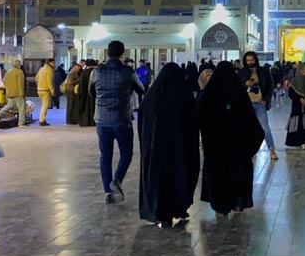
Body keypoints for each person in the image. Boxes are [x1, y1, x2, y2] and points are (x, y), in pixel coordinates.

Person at [138, 62, 200, 227]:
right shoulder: (185, 97)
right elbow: (193, 124)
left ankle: (158, 210)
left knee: (157, 178)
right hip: (180, 150)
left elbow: (142, 123)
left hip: (155, 148)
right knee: (179, 176)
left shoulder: (151, 97)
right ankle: (178, 207)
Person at [198, 62, 264, 215]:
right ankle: (237, 203)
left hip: (215, 147)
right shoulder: (239, 94)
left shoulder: (208, 95)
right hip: (238, 148)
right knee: (238, 175)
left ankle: (220, 205)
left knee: (217, 177)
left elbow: (200, 118)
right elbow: (253, 125)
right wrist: (249, 148)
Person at [90, 41, 145, 204]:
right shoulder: (127, 72)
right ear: (122, 53)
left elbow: (91, 93)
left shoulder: (96, 72)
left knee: (105, 155)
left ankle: (108, 192)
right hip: (122, 119)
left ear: (107, 53)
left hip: (102, 119)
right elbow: (141, 90)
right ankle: (117, 179)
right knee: (126, 152)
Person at [238, 51, 278, 161]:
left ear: (255, 60)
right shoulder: (242, 73)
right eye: (248, 60)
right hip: (246, 103)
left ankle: (272, 149)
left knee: (265, 127)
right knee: (248, 127)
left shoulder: (263, 71)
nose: (250, 62)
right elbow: (236, 87)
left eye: (252, 60)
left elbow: (270, 85)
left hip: (259, 102)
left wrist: (266, 99)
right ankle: (251, 150)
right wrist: (245, 84)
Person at [0, 59, 27, 127]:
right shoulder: (20, 72)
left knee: (9, 105)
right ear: (19, 65)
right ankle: (21, 123)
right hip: (18, 93)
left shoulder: (9, 71)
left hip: (10, 93)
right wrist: (22, 94)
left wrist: (9, 88)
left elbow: (4, 81)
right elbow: (20, 84)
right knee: (21, 108)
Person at [77, 60, 98, 127]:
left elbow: (81, 86)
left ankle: (87, 121)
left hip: (85, 95)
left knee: (86, 107)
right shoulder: (97, 72)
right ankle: (94, 121)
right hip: (95, 94)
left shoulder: (84, 73)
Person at [36, 58, 55, 126]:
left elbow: (36, 78)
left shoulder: (41, 69)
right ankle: (42, 120)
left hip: (39, 90)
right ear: (50, 63)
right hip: (45, 90)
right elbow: (49, 81)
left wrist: (40, 84)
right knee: (45, 105)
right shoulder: (49, 70)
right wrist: (52, 90)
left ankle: (42, 119)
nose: (54, 64)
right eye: (53, 63)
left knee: (43, 105)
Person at [64, 61, 83, 125]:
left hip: (71, 90)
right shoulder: (72, 73)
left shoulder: (73, 72)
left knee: (72, 105)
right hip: (70, 90)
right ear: (74, 67)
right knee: (70, 105)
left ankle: (72, 119)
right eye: (78, 68)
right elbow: (70, 82)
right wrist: (79, 80)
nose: (78, 69)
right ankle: (69, 120)